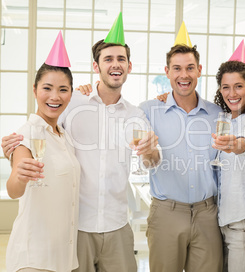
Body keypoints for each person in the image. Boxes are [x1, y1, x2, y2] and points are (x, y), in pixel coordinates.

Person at [2, 22, 161, 272]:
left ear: (129, 67)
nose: (115, 64)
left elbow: (151, 163)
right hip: (75, 228)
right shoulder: (72, 101)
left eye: (121, 59)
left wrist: (151, 151)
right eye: (108, 59)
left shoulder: (136, 115)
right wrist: (12, 150)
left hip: (118, 225)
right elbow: (40, 127)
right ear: (97, 66)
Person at [140, 44, 223, 272]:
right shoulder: (148, 110)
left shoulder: (217, 114)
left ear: (199, 70)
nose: (183, 75)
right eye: (177, 68)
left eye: (189, 68)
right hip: (167, 212)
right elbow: (147, 160)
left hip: (208, 214)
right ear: (167, 71)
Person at [6, 60, 80, 271]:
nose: (55, 96)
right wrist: (19, 176)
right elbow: (13, 190)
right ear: (35, 90)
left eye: (63, 90)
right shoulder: (27, 134)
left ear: (71, 94)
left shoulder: (64, 136)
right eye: (47, 88)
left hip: (63, 257)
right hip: (35, 259)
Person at [211, 60, 245, 272]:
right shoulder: (223, 118)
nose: (232, 93)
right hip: (222, 221)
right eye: (226, 87)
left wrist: (236, 145)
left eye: (239, 86)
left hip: (243, 222)